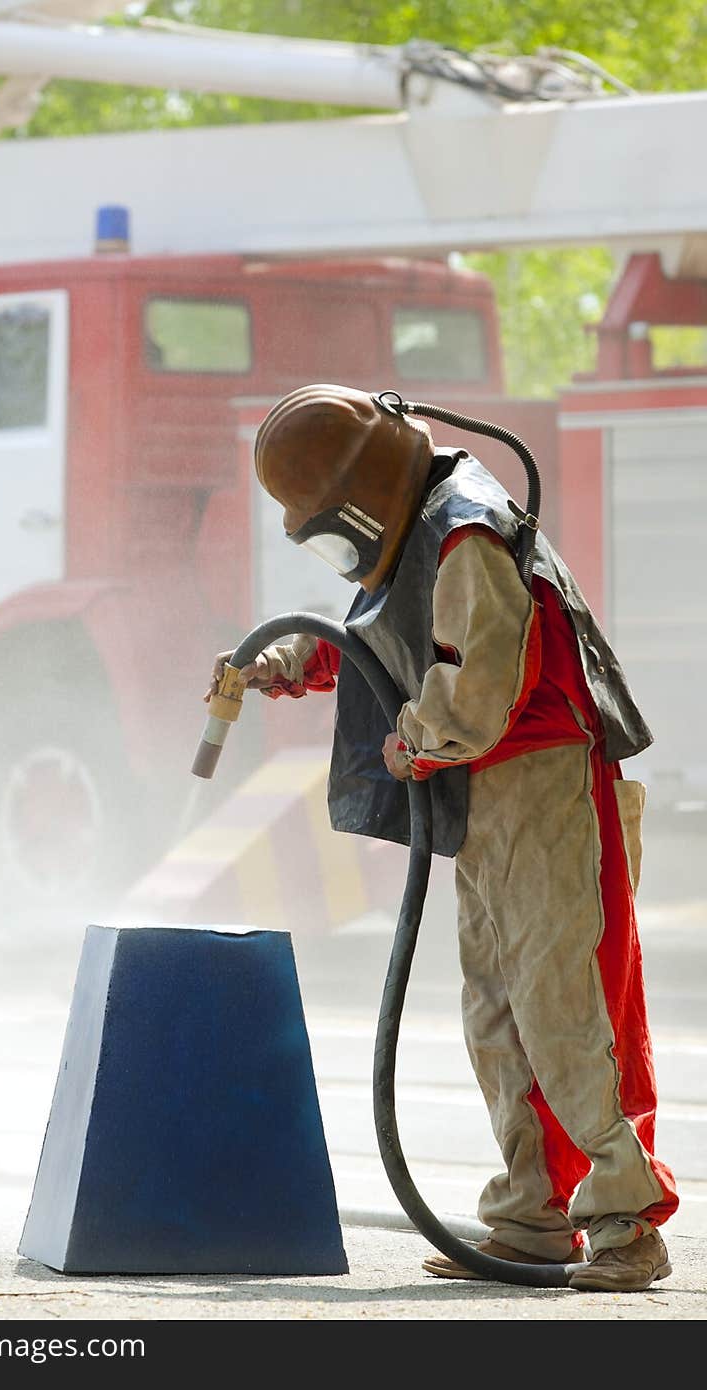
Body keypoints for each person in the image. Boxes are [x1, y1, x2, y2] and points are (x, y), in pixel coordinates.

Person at [206, 383, 678, 1292]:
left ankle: (625, 1221)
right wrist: (290, 663)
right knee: (499, 1012)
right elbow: (388, 631)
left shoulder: (466, 530)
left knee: (566, 1007)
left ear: (365, 491)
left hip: (545, 788)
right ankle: (533, 1216)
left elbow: (478, 685)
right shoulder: (419, 528)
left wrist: (415, 740)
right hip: (491, 795)